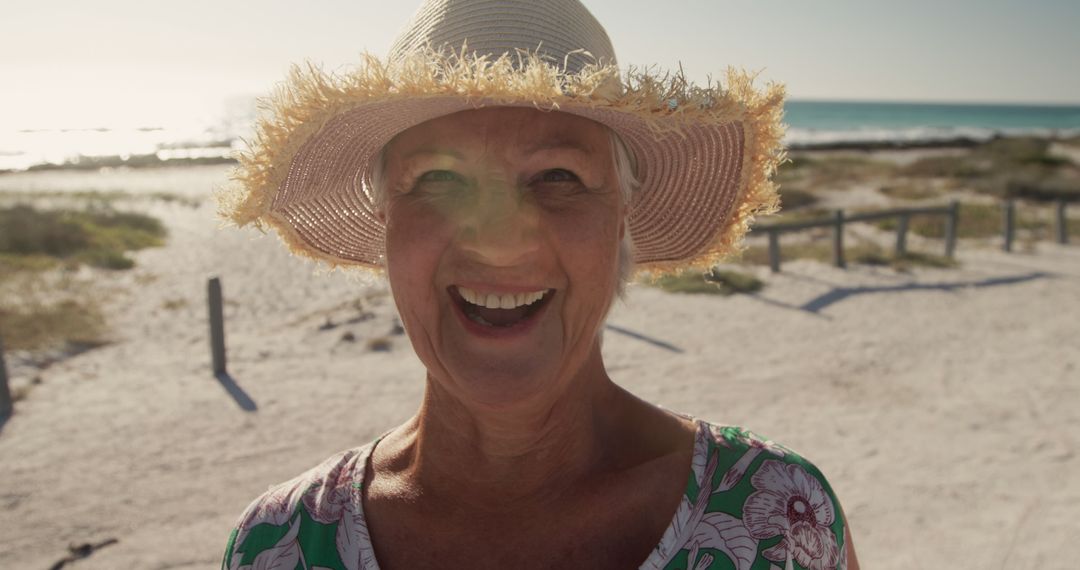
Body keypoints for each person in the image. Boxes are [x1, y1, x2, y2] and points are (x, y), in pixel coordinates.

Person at [219, 0, 859, 568]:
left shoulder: (780, 520)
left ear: (621, 221)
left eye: (558, 176)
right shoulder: (279, 544)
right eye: (439, 180)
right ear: (385, 220)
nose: (499, 238)